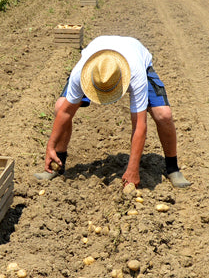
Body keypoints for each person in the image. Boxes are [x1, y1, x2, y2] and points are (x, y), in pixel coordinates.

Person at [37, 35, 191, 188]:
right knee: (60, 106)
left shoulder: (136, 72)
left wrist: (133, 169)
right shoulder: (81, 72)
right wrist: (50, 146)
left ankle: (172, 168)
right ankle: (58, 161)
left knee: (163, 114)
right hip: (98, 50)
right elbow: (65, 112)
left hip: (134, 53)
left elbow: (139, 125)